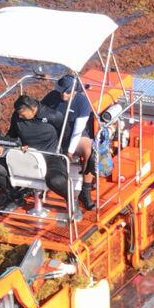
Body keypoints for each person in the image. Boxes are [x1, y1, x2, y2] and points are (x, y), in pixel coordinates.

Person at [0, 94, 79, 210]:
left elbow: (65, 135)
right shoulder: (17, 116)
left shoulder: (54, 116)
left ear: (33, 109)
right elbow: (12, 134)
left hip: (49, 157)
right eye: (18, 114)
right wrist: (2, 144)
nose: (20, 116)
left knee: (56, 181)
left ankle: (71, 200)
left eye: (22, 114)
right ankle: (15, 196)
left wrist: (66, 154)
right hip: (26, 155)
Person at [43, 74, 99, 210]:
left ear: (75, 91)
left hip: (74, 133)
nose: (63, 95)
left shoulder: (82, 102)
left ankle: (85, 191)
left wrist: (69, 151)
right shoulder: (52, 97)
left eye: (67, 92)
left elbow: (78, 130)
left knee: (89, 152)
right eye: (61, 91)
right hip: (56, 132)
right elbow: (40, 112)